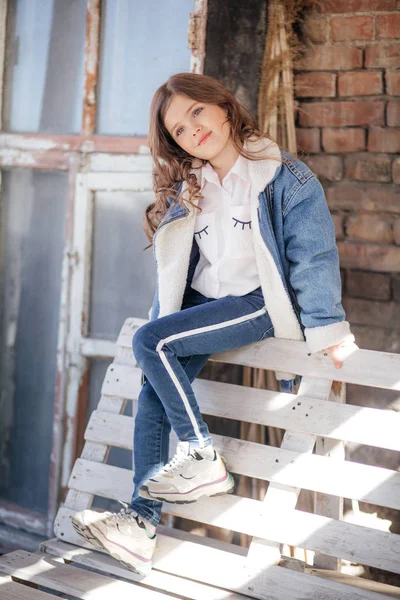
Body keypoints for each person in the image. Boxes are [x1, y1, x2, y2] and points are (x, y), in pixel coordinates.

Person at [72, 72, 357, 575]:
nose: (193, 131)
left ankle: (201, 455)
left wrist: (328, 329)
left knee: (151, 343)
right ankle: (140, 524)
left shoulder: (284, 179)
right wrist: (167, 314)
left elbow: (313, 258)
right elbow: (178, 268)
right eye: (179, 130)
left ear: (222, 106)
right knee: (153, 384)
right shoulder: (191, 188)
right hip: (208, 303)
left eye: (196, 113)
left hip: (258, 303)